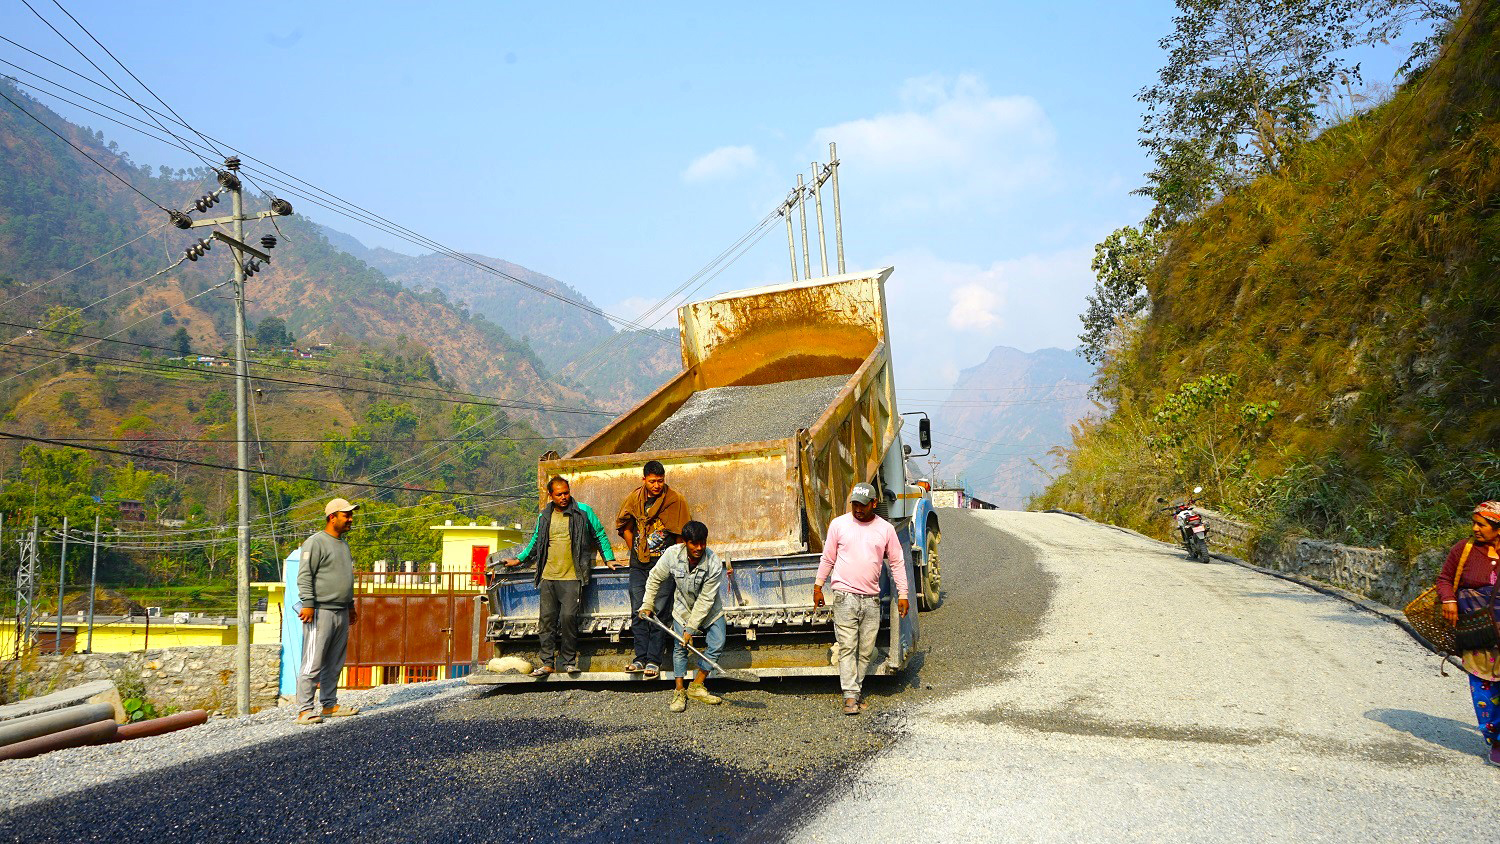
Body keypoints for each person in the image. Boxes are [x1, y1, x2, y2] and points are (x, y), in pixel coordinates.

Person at [504, 476, 618, 676]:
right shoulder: (544, 516)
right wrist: (519, 559)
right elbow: (536, 542)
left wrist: (608, 558)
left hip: (572, 576)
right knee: (546, 621)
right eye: (559, 494)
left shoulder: (583, 511)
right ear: (551, 495)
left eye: (566, 492)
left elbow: (599, 534)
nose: (564, 497)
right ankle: (547, 663)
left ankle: (568, 662)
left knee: (568, 619)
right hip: (549, 576)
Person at [812, 482, 909, 716]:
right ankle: (850, 696)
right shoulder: (839, 525)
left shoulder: (885, 529)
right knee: (847, 647)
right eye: (854, 504)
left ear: (874, 503)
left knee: (865, 651)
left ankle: (855, 691)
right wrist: (818, 586)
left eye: (863, 505)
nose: (858, 509)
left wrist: (903, 594)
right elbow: (828, 558)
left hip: (871, 600)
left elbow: (897, 562)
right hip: (844, 597)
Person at [639, 520, 727, 712]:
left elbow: (706, 599)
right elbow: (654, 578)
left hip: (709, 609)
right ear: (685, 542)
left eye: (702, 543)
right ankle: (679, 690)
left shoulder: (713, 562)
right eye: (694, 543)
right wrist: (647, 604)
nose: (699, 548)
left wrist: (690, 629)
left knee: (718, 642)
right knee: (680, 648)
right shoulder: (672, 554)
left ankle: (696, 686)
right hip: (683, 607)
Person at [615, 460, 691, 678]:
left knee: (659, 611)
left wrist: (676, 562)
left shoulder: (674, 500)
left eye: (660, 481)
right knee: (638, 609)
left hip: (664, 565)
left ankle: (653, 661)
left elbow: (680, 536)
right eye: (652, 481)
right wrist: (637, 551)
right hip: (639, 565)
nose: (656, 485)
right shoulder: (634, 499)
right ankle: (640, 658)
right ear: (644, 480)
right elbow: (626, 528)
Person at [1438, 500, 1500, 765]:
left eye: (1482, 525)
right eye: (1474, 523)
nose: (1475, 528)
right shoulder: (1464, 549)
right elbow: (1444, 579)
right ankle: (1496, 741)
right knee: (1484, 689)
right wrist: (1449, 600)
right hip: (1476, 631)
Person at [295, 498, 361, 725]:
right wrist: (308, 603)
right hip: (320, 611)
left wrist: (350, 607)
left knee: (334, 662)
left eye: (351, 515)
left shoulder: (343, 545)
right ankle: (304, 710)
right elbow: (305, 574)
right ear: (332, 517)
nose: (350, 519)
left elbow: (345, 579)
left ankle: (329, 705)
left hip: (341, 611)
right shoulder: (315, 542)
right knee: (312, 662)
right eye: (346, 515)